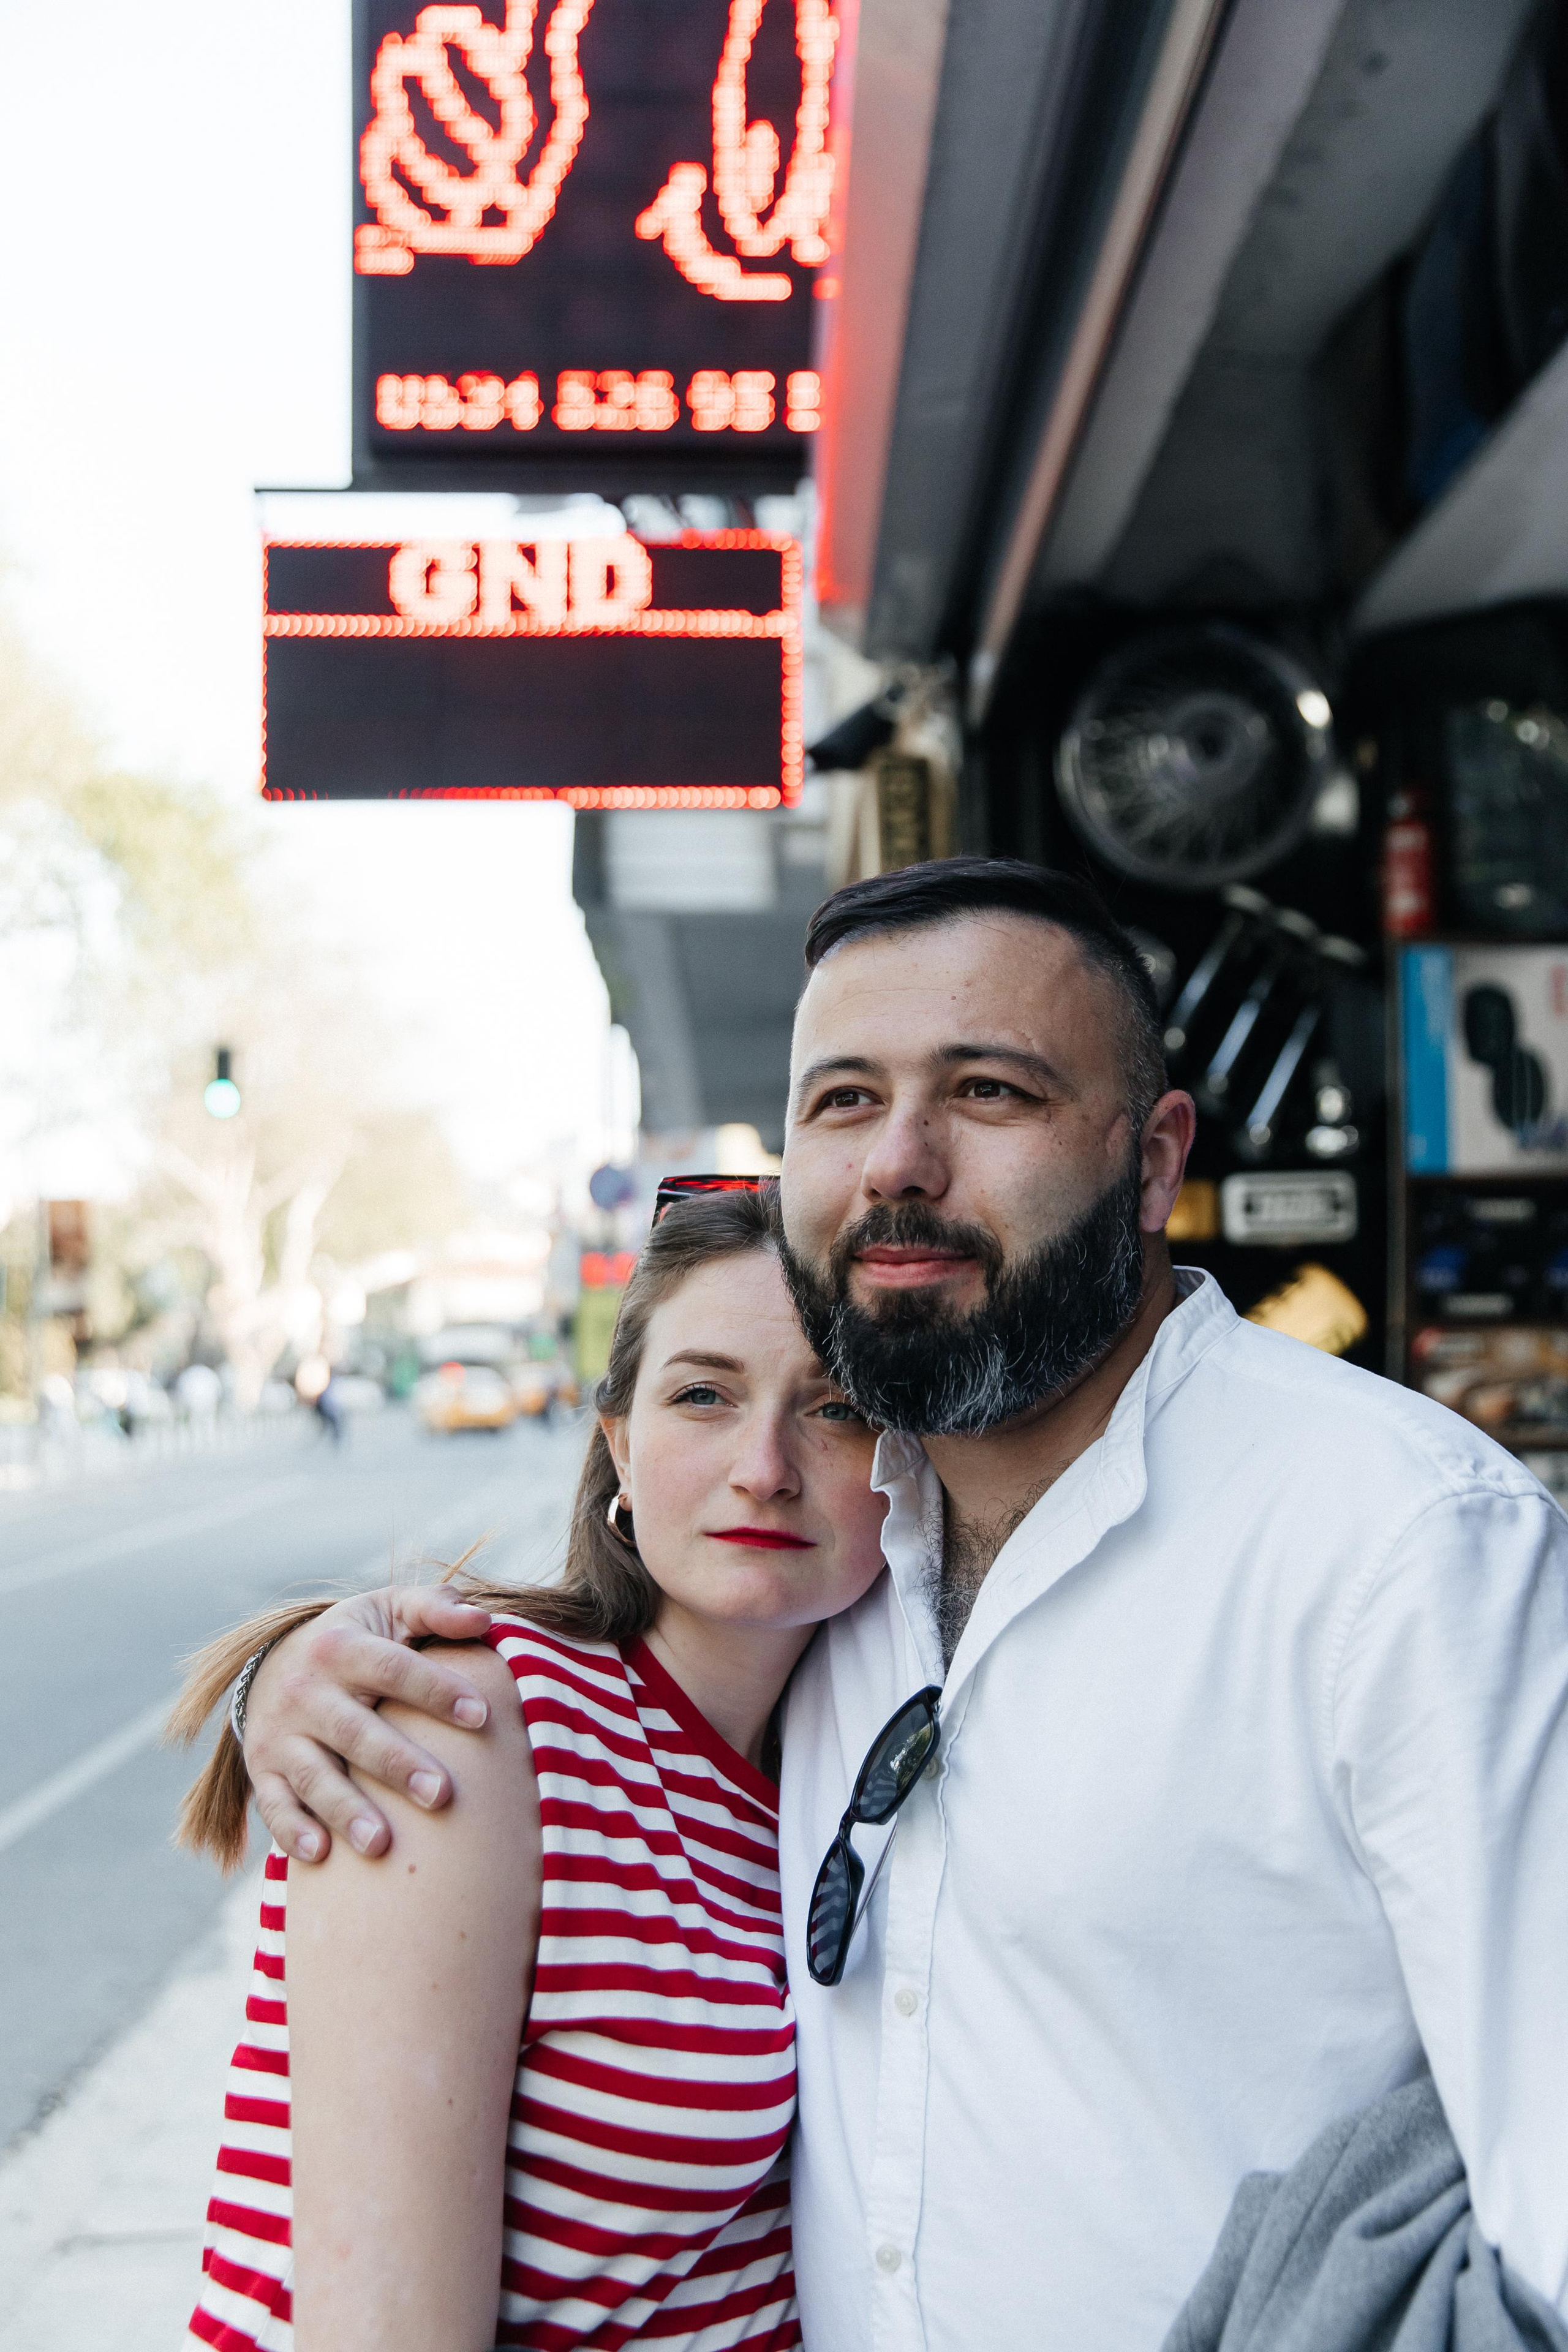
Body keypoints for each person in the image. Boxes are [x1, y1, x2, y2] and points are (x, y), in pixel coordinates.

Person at [235, 859, 1568, 2347]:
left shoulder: (1399, 1547)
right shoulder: (836, 1562)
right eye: (842, 1100)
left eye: (989, 1093)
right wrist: (301, 1662)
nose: (899, 1163)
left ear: (1148, 1159)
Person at [175, 1186, 889, 2351]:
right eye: (703, 1395)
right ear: (616, 1439)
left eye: (839, 1409)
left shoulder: (855, 1757)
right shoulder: (470, 1732)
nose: (766, 1466)